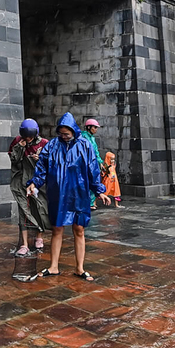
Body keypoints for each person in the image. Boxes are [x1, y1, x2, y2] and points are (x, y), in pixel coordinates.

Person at [27, 113, 109, 280]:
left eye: (66, 134)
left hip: (79, 193)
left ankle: (80, 268)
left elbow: (93, 169)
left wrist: (99, 190)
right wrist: (35, 182)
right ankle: (54, 266)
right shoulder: (52, 146)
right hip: (58, 193)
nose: (63, 137)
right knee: (57, 228)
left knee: (79, 229)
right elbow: (42, 166)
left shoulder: (84, 145)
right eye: (61, 133)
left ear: (73, 131)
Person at [8, 119, 50, 256]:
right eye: (26, 136)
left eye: (31, 136)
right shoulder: (18, 141)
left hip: (39, 182)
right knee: (23, 212)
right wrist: (20, 147)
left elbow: (53, 162)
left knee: (40, 208)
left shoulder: (44, 144)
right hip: (21, 181)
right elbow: (14, 159)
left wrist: (41, 159)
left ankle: (39, 236)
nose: (28, 139)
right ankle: (24, 244)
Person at [82, 119, 105, 208]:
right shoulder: (83, 137)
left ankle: (91, 203)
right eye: (94, 127)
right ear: (89, 127)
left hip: (93, 163)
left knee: (94, 180)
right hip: (86, 163)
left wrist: (100, 162)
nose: (96, 129)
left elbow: (95, 151)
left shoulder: (92, 138)